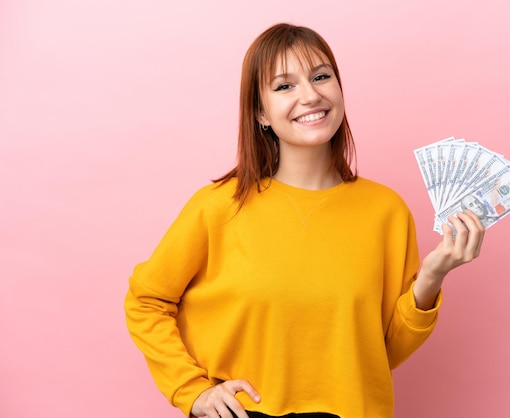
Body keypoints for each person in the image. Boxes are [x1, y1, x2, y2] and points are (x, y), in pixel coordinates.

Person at [124, 23, 485, 418]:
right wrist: (191, 390)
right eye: (284, 86)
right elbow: (146, 301)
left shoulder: (387, 211)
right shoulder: (217, 207)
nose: (310, 95)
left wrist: (431, 280)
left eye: (321, 76)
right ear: (260, 112)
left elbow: (381, 353)